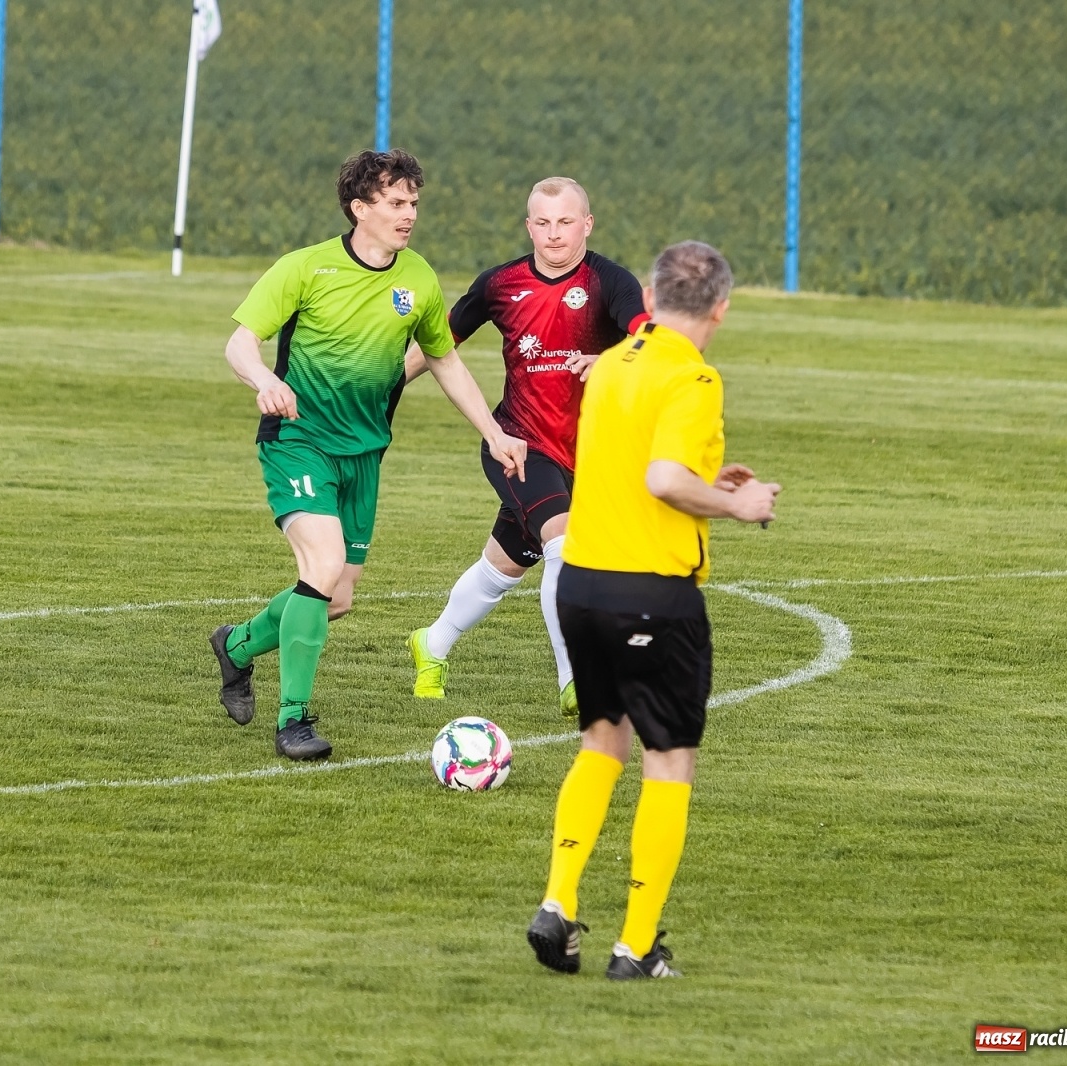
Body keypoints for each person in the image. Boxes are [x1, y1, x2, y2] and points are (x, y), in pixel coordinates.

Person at [210, 149, 528, 762]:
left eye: (413, 202)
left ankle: (239, 646)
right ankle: (294, 720)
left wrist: (492, 431)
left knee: (338, 596)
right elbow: (241, 343)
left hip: (365, 455)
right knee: (322, 563)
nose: (408, 214)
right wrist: (264, 382)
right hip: (298, 442)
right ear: (360, 209)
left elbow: (443, 358)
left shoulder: (419, 279)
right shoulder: (305, 269)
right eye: (394, 203)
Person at [525, 241, 780, 980]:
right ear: (722, 310)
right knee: (668, 761)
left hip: (582, 585)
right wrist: (735, 502)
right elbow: (665, 478)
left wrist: (709, 479)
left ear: (648, 293)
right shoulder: (692, 375)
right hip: (651, 595)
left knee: (602, 743)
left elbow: (640, 464)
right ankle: (635, 947)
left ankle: (558, 901)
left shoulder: (614, 361)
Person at [405, 177, 647, 713]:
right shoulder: (500, 284)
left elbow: (648, 338)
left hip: (589, 457)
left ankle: (433, 642)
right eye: (542, 222)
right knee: (565, 545)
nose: (553, 234)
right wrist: (385, 388)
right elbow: (439, 345)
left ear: (587, 224)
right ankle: (576, 679)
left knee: (503, 568)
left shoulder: (611, 282)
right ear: (528, 225)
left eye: (565, 222)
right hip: (516, 443)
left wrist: (607, 359)